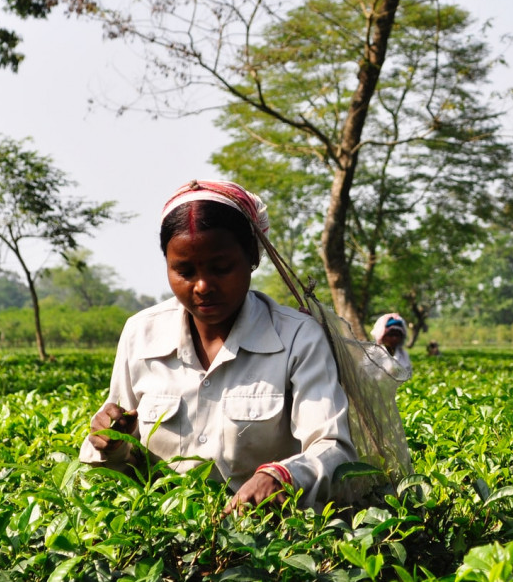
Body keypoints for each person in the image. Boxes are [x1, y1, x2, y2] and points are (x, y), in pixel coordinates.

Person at [80, 180, 355, 513]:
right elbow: (126, 464)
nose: (202, 286)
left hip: (271, 544)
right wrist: (111, 444)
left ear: (252, 256)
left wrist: (284, 476)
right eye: (184, 270)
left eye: (221, 268)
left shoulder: (297, 338)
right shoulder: (141, 334)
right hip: (165, 539)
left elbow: (334, 448)